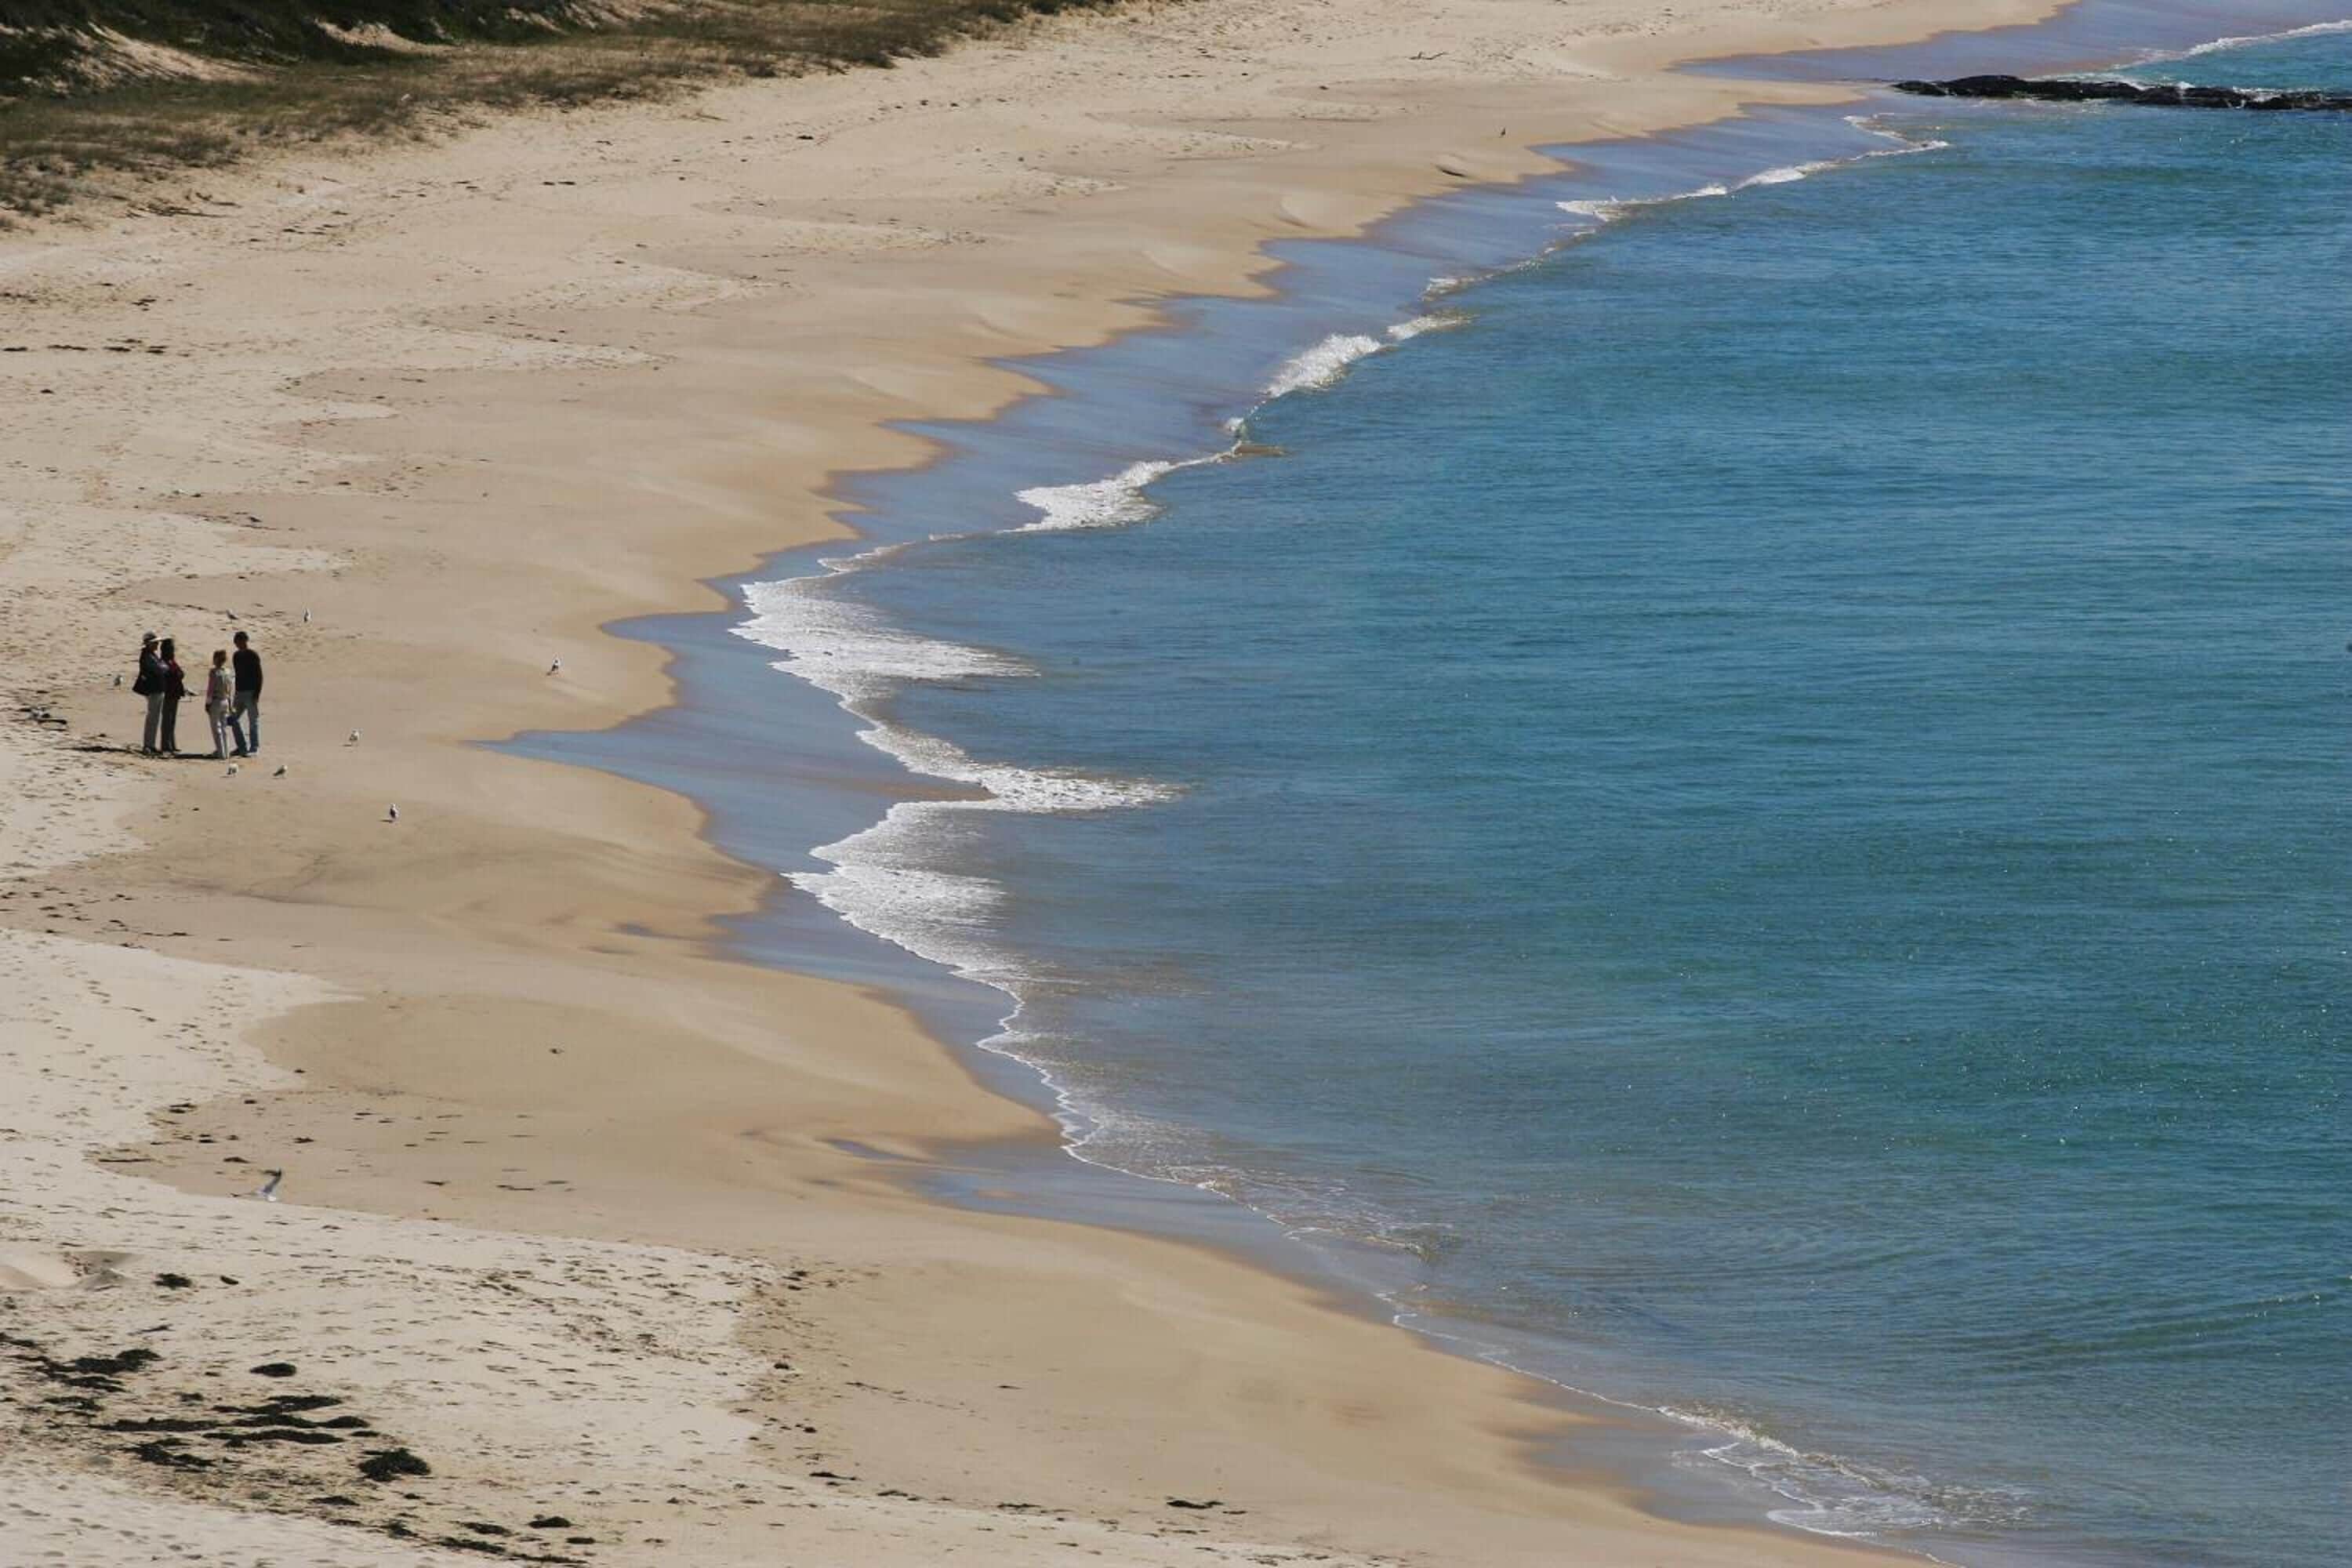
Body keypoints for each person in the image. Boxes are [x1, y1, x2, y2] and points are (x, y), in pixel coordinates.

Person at [228, 630, 262, 757]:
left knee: (253, 720)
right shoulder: (236, 656)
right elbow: (237, 675)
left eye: (239, 641)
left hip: (251, 691)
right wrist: (235, 692)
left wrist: (257, 693)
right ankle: (241, 746)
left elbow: (259, 675)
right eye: (236, 641)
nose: (237, 644)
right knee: (233, 719)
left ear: (245, 641)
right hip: (239, 692)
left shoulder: (253, 655)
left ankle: (254, 747)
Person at [134, 632, 167, 756]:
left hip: (157, 689)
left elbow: (163, 668)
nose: (157, 645)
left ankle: (151, 744)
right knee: (152, 718)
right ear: (148, 644)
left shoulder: (152, 655)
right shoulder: (147, 656)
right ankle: (148, 745)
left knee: (155, 718)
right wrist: (163, 667)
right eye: (155, 643)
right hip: (153, 690)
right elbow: (159, 669)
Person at [204, 649, 235, 760]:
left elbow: (210, 689)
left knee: (216, 729)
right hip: (225, 700)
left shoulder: (214, 673)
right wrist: (230, 704)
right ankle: (226, 752)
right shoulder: (228, 672)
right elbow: (230, 690)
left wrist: (208, 703)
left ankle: (221, 753)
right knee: (224, 727)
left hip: (216, 701)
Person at [158, 637, 186, 755]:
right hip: (168, 693)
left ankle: (172, 744)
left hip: (175, 693)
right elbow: (170, 675)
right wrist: (177, 674)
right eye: (171, 649)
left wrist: (177, 674)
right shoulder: (162, 662)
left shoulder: (172, 662)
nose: (173, 651)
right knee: (167, 720)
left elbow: (181, 673)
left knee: (172, 720)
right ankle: (165, 745)